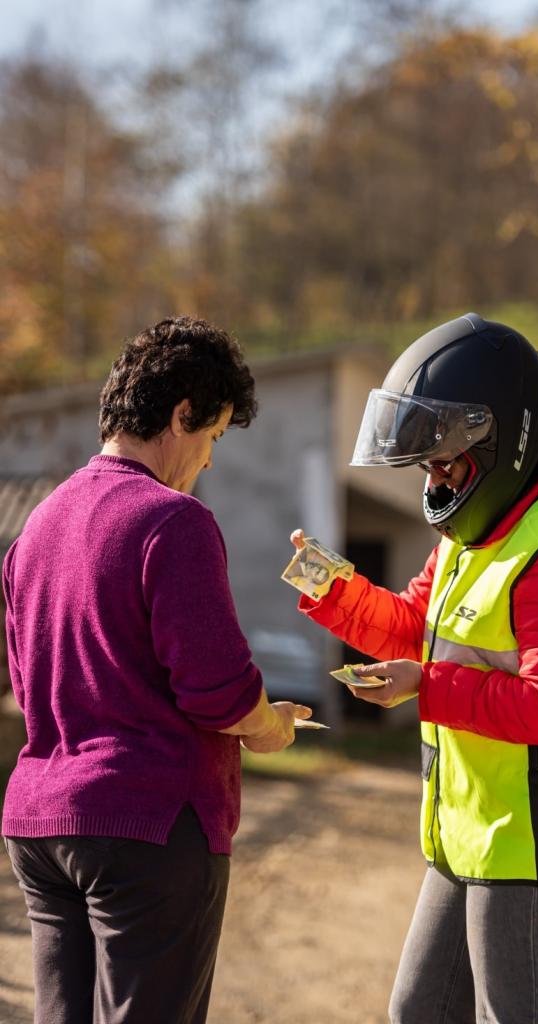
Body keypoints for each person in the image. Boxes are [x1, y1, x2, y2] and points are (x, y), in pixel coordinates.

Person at [289, 312, 538, 1024]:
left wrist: (426, 686)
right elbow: (412, 625)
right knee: (417, 1012)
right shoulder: (479, 533)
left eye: (443, 456)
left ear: (499, 439)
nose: (432, 475)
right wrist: (330, 587)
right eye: (424, 460)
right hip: (475, 833)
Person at [2, 316, 311, 1024]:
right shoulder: (174, 521)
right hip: (149, 824)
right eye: (213, 436)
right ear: (181, 415)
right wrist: (270, 728)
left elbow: (29, 687)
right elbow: (220, 692)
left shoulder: (35, 530)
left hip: (42, 824)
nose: (208, 461)